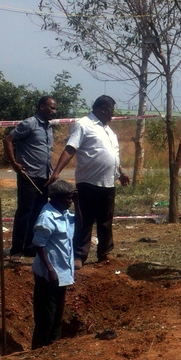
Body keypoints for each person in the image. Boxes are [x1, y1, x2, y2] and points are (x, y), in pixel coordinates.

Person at [46, 95, 130, 270]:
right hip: (89, 182)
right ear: (102, 109)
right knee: (84, 220)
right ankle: (78, 255)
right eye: (111, 111)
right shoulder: (83, 124)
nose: (112, 115)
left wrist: (120, 173)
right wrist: (57, 171)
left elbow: (112, 156)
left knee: (106, 220)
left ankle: (104, 252)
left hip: (108, 183)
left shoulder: (109, 131)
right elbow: (70, 148)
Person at [4, 96, 58, 262]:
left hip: (44, 177)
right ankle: (16, 250)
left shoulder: (48, 127)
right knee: (24, 213)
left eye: (55, 109)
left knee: (38, 213)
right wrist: (13, 162)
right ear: (42, 107)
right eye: (51, 108)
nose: (54, 111)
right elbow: (8, 139)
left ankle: (30, 247)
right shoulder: (29, 124)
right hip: (29, 176)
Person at [30, 179, 81, 350]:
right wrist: (50, 270)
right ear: (57, 198)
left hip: (62, 272)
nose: (70, 201)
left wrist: (78, 202)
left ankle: (54, 346)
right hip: (49, 274)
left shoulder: (64, 213)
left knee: (58, 313)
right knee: (46, 315)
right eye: (68, 198)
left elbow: (80, 225)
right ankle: (39, 348)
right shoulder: (47, 218)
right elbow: (38, 245)